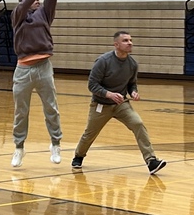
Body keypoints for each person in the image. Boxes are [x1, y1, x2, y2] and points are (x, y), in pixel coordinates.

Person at [71, 31, 167, 175]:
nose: (130, 43)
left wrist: (133, 92)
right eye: (125, 40)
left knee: (138, 124)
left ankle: (151, 160)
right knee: (90, 133)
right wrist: (109, 94)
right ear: (116, 44)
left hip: (121, 104)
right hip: (101, 104)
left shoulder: (132, 64)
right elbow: (92, 85)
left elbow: (132, 84)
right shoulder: (103, 61)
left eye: (130, 40)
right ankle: (78, 156)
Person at [10, 0, 69, 168]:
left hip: (44, 66)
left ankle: (55, 144)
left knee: (51, 107)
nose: (38, 0)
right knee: (21, 111)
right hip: (23, 69)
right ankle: (19, 147)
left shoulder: (44, 13)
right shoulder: (17, 16)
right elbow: (24, 4)